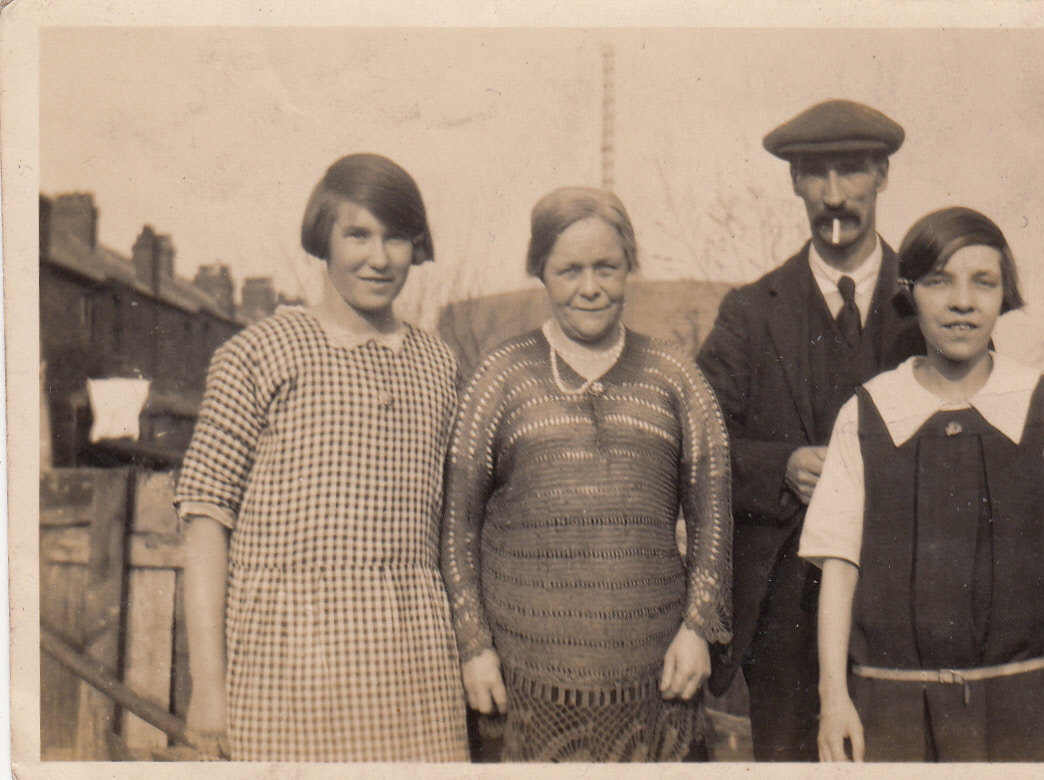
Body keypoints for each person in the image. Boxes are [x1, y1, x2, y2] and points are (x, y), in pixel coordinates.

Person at [801, 206, 1044, 762]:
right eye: (940, 282)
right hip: (891, 708)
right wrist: (834, 699)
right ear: (910, 293)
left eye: (983, 282)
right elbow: (839, 566)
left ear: (1005, 293)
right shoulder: (867, 414)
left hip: (1021, 703)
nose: (963, 302)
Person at [175, 153, 469, 761]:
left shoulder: (439, 365)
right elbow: (205, 521)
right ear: (323, 238)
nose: (379, 258)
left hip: (414, 669)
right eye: (357, 234)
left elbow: (452, 529)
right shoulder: (259, 353)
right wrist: (208, 687)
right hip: (290, 667)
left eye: (396, 237)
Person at [441, 186, 732, 762]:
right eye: (569, 270)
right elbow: (457, 529)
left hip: (657, 684)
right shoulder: (498, 377)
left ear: (630, 267)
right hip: (524, 686)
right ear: (540, 272)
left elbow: (713, 521)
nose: (590, 287)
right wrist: (473, 647)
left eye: (607, 267)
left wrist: (698, 629)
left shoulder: (675, 376)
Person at [695, 99, 925, 761]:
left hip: (910, 600)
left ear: (882, 175)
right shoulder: (748, 313)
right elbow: (701, 443)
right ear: (794, 182)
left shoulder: (933, 301)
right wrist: (782, 466)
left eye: (850, 171)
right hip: (787, 615)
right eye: (815, 175)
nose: (834, 196)